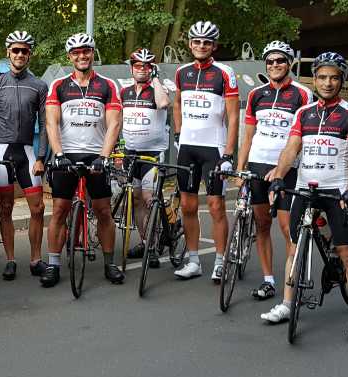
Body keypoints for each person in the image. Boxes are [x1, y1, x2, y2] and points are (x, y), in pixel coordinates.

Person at [264, 52, 348, 340]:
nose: (328, 82)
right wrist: (279, 177)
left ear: (341, 80)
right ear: (315, 79)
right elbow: (290, 149)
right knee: (295, 248)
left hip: (336, 190)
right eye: (322, 76)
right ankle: (286, 303)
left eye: (334, 77)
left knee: (347, 253)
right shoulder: (303, 113)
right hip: (305, 189)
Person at [43, 33, 123, 287]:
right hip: (66, 155)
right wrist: (58, 154)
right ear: (70, 57)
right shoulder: (59, 86)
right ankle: (53, 264)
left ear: (92, 53)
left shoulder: (107, 85)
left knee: (103, 211)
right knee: (58, 211)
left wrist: (104, 156)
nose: (81, 56)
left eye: (86, 51)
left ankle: (110, 264)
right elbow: (51, 123)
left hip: (96, 155)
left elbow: (114, 124)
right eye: (76, 52)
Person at [235, 41, 313, 300]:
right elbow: (248, 135)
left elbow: (303, 138)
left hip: (288, 169)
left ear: (288, 63)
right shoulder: (257, 94)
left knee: (287, 226)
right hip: (258, 163)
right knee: (261, 224)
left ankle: (292, 280)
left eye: (280, 60)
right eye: (270, 61)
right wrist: (240, 168)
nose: (275, 65)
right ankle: (268, 280)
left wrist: (281, 168)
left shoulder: (302, 94)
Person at [173, 21, 240, 281]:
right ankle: (193, 261)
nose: (201, 46)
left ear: (214, 46)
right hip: (188, 148)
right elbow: (177, 103)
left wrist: (229, 153)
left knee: (215, 206)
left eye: (207, 42)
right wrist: (178, 133)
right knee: (188, 206)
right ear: (190, 44)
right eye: (197, 41)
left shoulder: (224, 72)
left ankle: (221, 261)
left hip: (214, 148)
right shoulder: (182, 72)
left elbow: (233, 116)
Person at [0, 30, 49, 280]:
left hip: (28, 152)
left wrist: (42, 157)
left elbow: (46, 124)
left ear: (30, 54)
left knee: (38, 208)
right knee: (6, 208)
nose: (20, 54)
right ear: (8, 51)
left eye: (25, 50)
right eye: (16, 50)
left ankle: (35, 259)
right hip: (1, 150)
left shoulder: (39, 85)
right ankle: (10, 259)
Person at [120, 48, 171, 268]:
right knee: (137, 199)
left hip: (153, 154)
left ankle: (152, 245)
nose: (142, 69)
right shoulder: (125, 92)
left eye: (147, 66)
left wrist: (156, 78)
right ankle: (145, 241)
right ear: (132, 68)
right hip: (130, 153)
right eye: (138, 66)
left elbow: (163, 104)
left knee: (149, 199)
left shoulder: (158, 89)